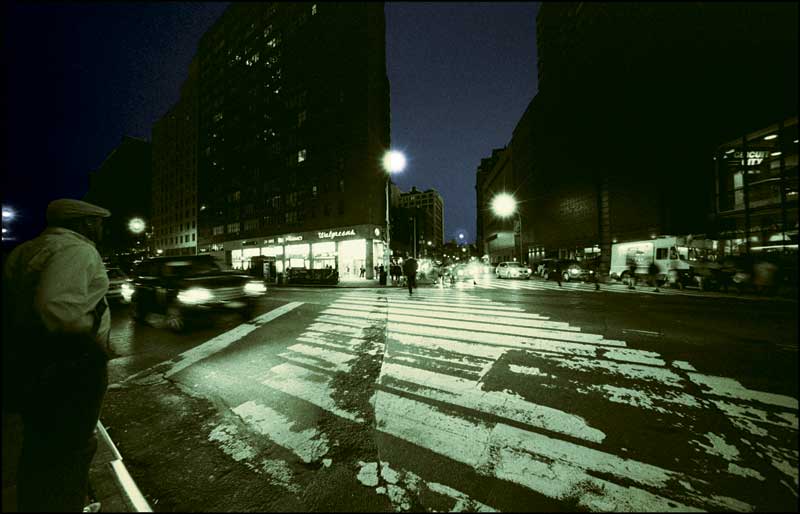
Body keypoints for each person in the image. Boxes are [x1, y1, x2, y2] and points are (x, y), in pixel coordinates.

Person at [2, 198, 112, 513]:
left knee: (39, 447)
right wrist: (92, 341)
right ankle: (65, 503)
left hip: (30, 363)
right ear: (86, 223)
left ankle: (38, 502)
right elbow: (57, 307)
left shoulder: (24, 251)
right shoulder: (79, 250)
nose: (101, 228)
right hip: (67, 366)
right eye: (98, 222)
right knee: (71, 447)